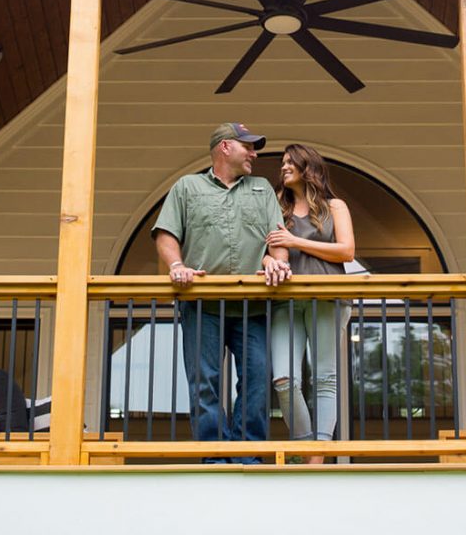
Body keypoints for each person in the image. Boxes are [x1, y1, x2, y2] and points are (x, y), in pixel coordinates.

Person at [152, 122, 291, 461]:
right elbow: (166, 234)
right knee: (205, 383)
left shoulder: (261, 189)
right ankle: (214, 455)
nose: (254, 154)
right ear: (225, 147)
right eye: (248, 147)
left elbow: (278, 239)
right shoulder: (187, 187)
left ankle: (247, 455)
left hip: (254, 306)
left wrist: (276, 261)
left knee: (257, 382)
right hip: (202, 305)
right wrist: (176, 266)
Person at [266, 144, 355, 464]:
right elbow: (266, 248)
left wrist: (295, 241)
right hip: (285, 302)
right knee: (284, 379)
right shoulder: (276, 206)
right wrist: (267, 260)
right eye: (283, 162)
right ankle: (309, 449)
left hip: (328, 298)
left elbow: (346, 251)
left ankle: (316, 459)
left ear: (309, 168)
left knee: (325, 379)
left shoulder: (336, 207)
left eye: (291, 162)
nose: (284, 167)